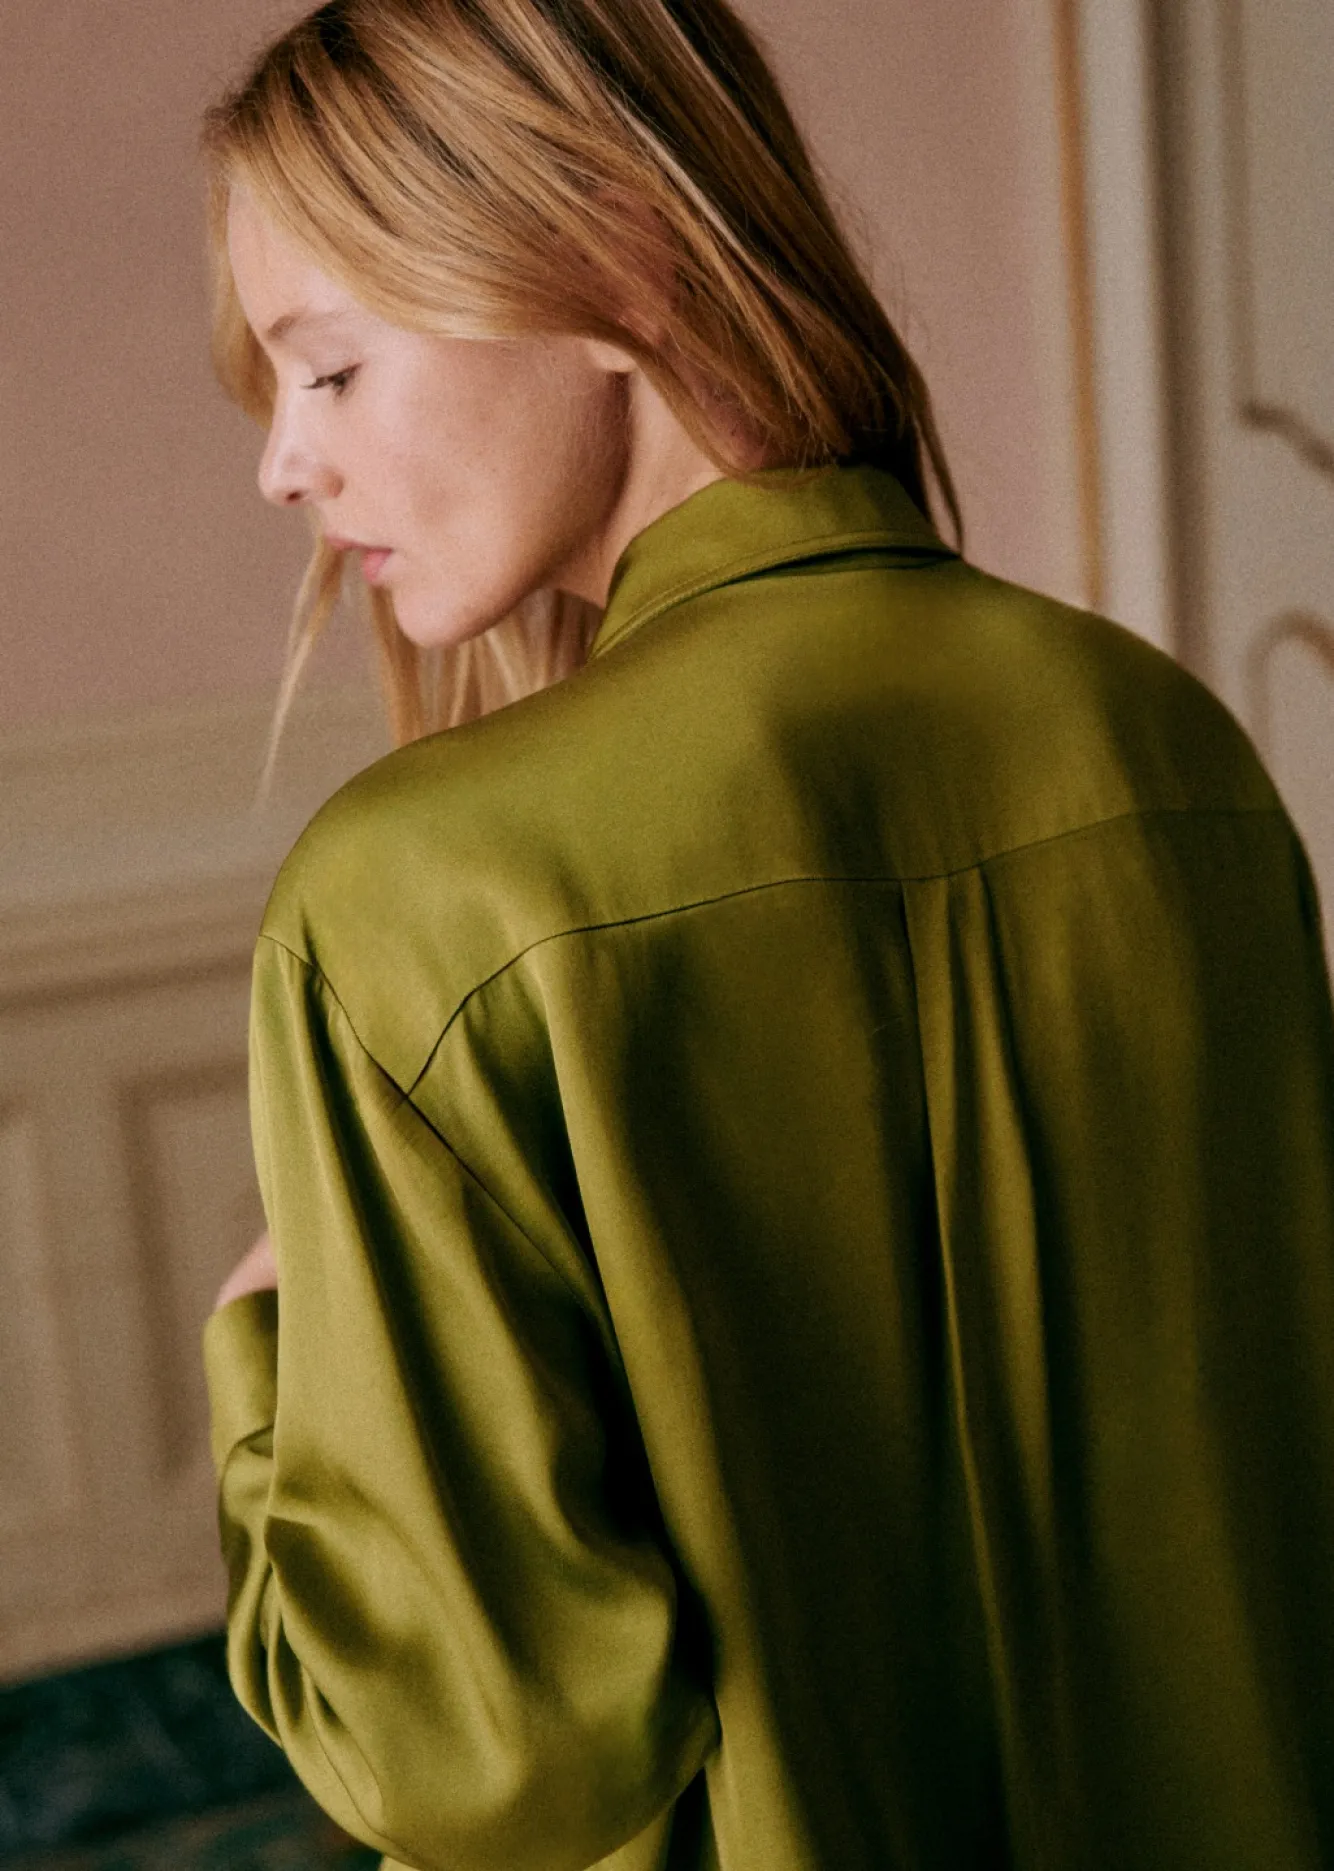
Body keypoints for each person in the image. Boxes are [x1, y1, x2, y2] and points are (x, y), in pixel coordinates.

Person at [201, 2, 1334, 1867]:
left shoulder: (421, 887)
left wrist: (266, 1363)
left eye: (328, 368)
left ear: (609, 254)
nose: (283, 468)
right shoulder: (1168, 746)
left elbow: (487, 1763)